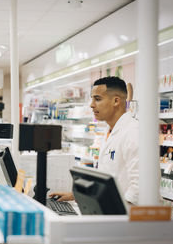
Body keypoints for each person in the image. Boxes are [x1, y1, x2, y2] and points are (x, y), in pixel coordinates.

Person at [50, 76, 139, 205]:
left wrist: (113, 212)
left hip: (130, 219)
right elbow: (107, 178)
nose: (91, 105)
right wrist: (75, 196)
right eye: (92, 99)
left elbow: (140, 186)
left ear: (116, 101)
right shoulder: (109, 131)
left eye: (97, 99)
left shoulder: (134, 132)